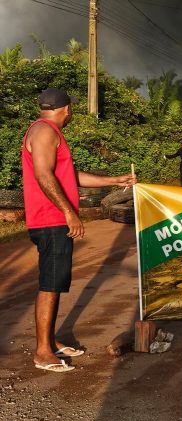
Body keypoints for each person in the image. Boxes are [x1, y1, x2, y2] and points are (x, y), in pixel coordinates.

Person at [22, 88, 136, 372]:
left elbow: (68, 176)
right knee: (50, 283)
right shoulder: (45, 132)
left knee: (56, 282)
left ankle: (50, 340)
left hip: (52, 218)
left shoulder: (46, 132)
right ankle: (42, 352)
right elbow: (43, 175)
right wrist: (69, 213)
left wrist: (113, 179)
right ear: (66, 110)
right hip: (50, 220)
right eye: (71, 108)